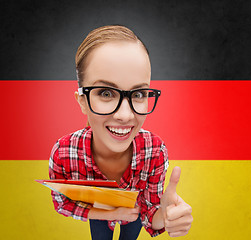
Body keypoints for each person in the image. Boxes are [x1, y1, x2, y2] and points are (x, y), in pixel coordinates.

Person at [49, 25, 193, 240]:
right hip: (99, 214)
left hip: (134, 216)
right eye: (106, 93)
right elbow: (62, 203)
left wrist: (164, 216)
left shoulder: (154, 151)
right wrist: (110, 213)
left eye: (139, 93)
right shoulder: (64, 153)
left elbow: (150, 211)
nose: (125, 115)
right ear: (82, 101)